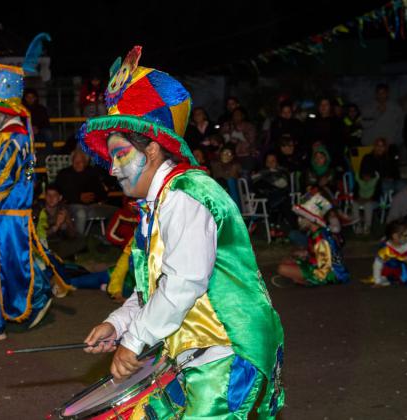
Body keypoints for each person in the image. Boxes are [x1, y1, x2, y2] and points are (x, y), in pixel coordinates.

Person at [80, 46, 284, 418]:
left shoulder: (186, 196)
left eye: (121, 154)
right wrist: (117, 325)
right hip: (190, 349)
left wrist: (136, 340)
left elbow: (183, 282)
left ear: (153, 149)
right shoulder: (159, 204)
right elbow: (156, 288)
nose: (112, 169)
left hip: (226, 351)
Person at [0, 46, 69, 343]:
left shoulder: (11, 138)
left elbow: (1, 181)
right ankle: (36, 298)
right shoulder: (11, 136)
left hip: (1, 217)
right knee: (13, 267)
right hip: (6, 216)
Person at [277, 193, 350, 286]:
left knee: (282, 268)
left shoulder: (320, 238)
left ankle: (303, 280)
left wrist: (311, 281)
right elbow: (318, 254)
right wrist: (304, 254)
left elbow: (324, 270)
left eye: (302, 217)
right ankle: (299, 279)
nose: (299, 219)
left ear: (311, 219)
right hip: (316, 266)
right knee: (286, 261)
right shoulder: (317, 233)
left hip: (329, 274)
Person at [55, 148, 115, 234]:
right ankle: (78, 242)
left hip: (92, 205)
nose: (78, 164)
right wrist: (78, 198)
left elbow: (102, 193)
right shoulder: (64, 174)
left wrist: (93, 197)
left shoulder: (92, 173)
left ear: (86, 162)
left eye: (81, 161)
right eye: (75, 161)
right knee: (81, 213)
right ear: (72, 161)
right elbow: (59, 194)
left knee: (116, 212)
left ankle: (107, 238)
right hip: (72, 205)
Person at [35, 184, 85, 259]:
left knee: (81, 240)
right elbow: (39, 235)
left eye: (54, 195)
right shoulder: (38, 209)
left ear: (60, 198)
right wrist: (56, 226)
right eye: (48, 195)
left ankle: (57, 255)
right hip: (44, 242)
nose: (51, 198)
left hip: (58, 241)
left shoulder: (63, 208)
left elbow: (73, 234)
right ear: (45, 196)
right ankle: (58, 255)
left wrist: (67, 221)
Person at [371, 221, 407, 287]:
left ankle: (401, 277)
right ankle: (386, 278)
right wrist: (377, 281)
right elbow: (377, 265)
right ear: (395, 236)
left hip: (402, 271)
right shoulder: (386, 250)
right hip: (387, 271)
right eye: (405, 236)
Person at [218, 107, 257, 171]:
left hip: (245, 155)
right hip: (230, 156)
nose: (236, 116)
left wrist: (239, 137)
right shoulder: (228, 125)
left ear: (243, 116)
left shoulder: (249, 126)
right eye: (234, 115)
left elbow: (250, 142)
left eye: (238, 114)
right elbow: (221, 137)